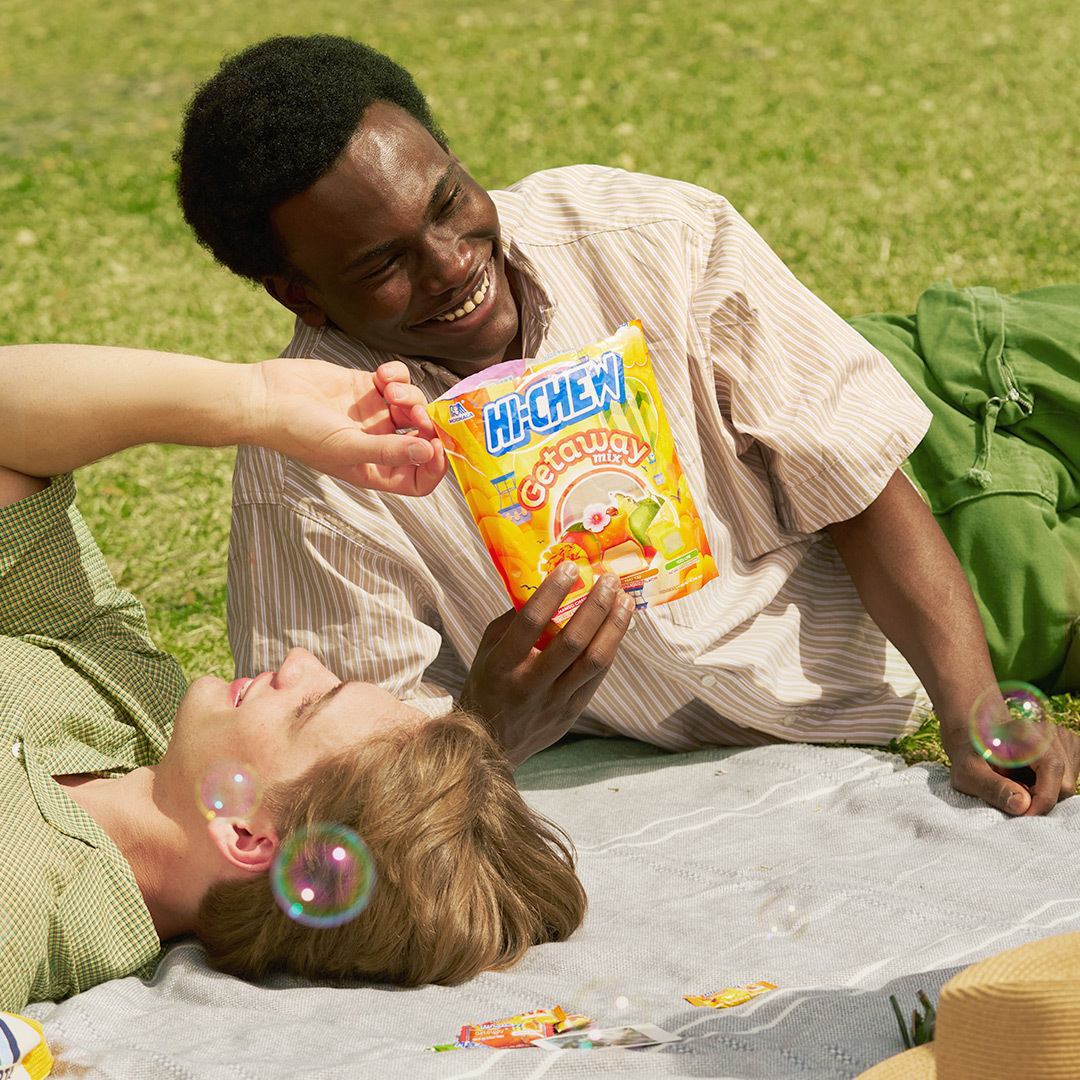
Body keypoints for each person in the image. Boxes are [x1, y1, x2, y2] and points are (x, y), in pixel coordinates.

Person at [174, 34, 1079, 817]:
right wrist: (484, 726)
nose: (452, 266)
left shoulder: (643, 231)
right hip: (975, 583)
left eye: (449, 202)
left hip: (961, 409)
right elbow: (350, 783)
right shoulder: (314, 471)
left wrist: (974, 714)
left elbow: (860, 476)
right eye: (384, 264)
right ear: (301, 295)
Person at [0, 344, 586, 1012]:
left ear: (247, 836)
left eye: (309, 706)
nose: (299, 664)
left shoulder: (23, 908)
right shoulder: (132, 705)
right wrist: (254, 401)